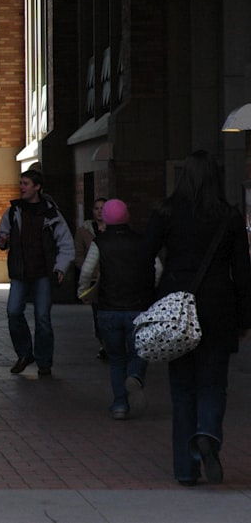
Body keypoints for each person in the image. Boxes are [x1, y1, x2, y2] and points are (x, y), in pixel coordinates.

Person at [143, 151, 251, 486]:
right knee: (213, 383)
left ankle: (185, 469)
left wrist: (150, 303)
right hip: (218, 307)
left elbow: (145, 256)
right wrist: (244, 318)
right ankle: (207, 434)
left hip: (176, 306)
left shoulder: (166, 212)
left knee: (182, 388)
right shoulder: (229, 216)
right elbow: (243, 272)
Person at [77, 199, 154, 419]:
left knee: (117, 358)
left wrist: (83, 292)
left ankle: (120, 405)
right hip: (137, 307)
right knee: (140, 349)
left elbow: (87, 271)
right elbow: (157, 268)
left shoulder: (100, 242)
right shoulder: (141, 241)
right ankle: (136, 375)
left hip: (108, 307)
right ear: (127, 216)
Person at [0, 169, 74, 376]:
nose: (21, 187)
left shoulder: (51, 213)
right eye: (21, 183)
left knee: (42, 318)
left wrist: (60, 267)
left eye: (26, 184)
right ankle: (24, 352)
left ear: (37, 187)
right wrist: (1, 241)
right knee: (13, 312)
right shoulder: (13, 211)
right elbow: (1, 235)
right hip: (20, 272)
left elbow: (66, 244)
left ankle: (44, 362)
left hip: (43, 274)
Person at [75, 196, 108, 359]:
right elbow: (79, 256)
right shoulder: (84, 231)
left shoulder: (115, 228)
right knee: (98, 312)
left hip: (112, 277)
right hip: (94, 279)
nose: (100, 211)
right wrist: (88, 273)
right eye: (97, 208)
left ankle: (112, 343)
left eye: (103, 208)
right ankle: (103, 343)